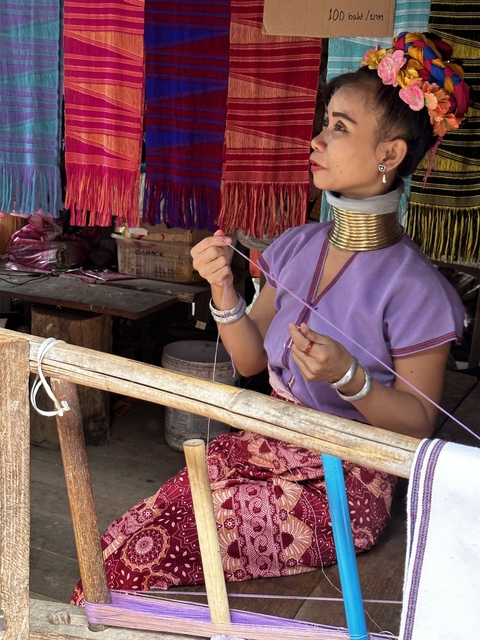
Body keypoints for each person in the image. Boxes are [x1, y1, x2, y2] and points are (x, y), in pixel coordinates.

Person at [71, 32, 472, 604]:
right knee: (111, 543)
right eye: (324, 123)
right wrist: (222, 288)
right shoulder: (295, 246)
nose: (316, 139)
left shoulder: (417, 290)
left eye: (339, 128)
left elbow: (417, 428)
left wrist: (349, 378)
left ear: (389, 154)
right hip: (262, 443)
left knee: (139, 566)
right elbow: (250, 359)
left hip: (342, 481)